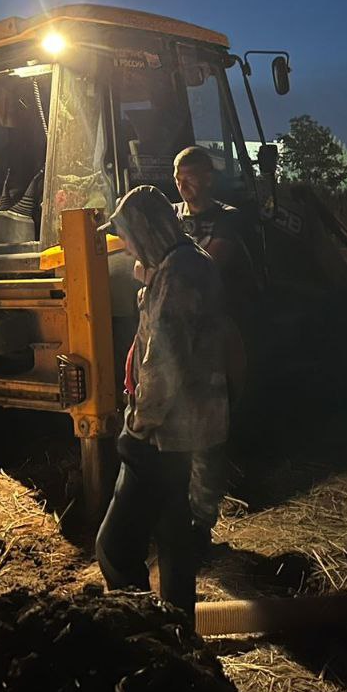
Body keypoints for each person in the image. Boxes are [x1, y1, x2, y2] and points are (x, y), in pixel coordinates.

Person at [95, 185, 230, 617]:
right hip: (185, 431)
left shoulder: (180, 273)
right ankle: (177, 632)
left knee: (114, 548)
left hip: (165, 434)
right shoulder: (183, 264)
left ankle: (141, 630)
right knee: (174, 539)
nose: (127, 246)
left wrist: (136, 428)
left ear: (148, 231)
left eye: (129, 236)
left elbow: (164, 366)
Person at [171, 146, 255, 554]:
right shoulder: (170, 215)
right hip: (174, 336)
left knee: (209, 428)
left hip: (216, 333)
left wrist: (166, 265)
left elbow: (210, 264)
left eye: (190, 177)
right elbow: (139, 264)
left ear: (208, 178)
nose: (183, 186)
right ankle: (179, 513)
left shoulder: (228, 218)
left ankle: (201, 523)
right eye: (177, 178)